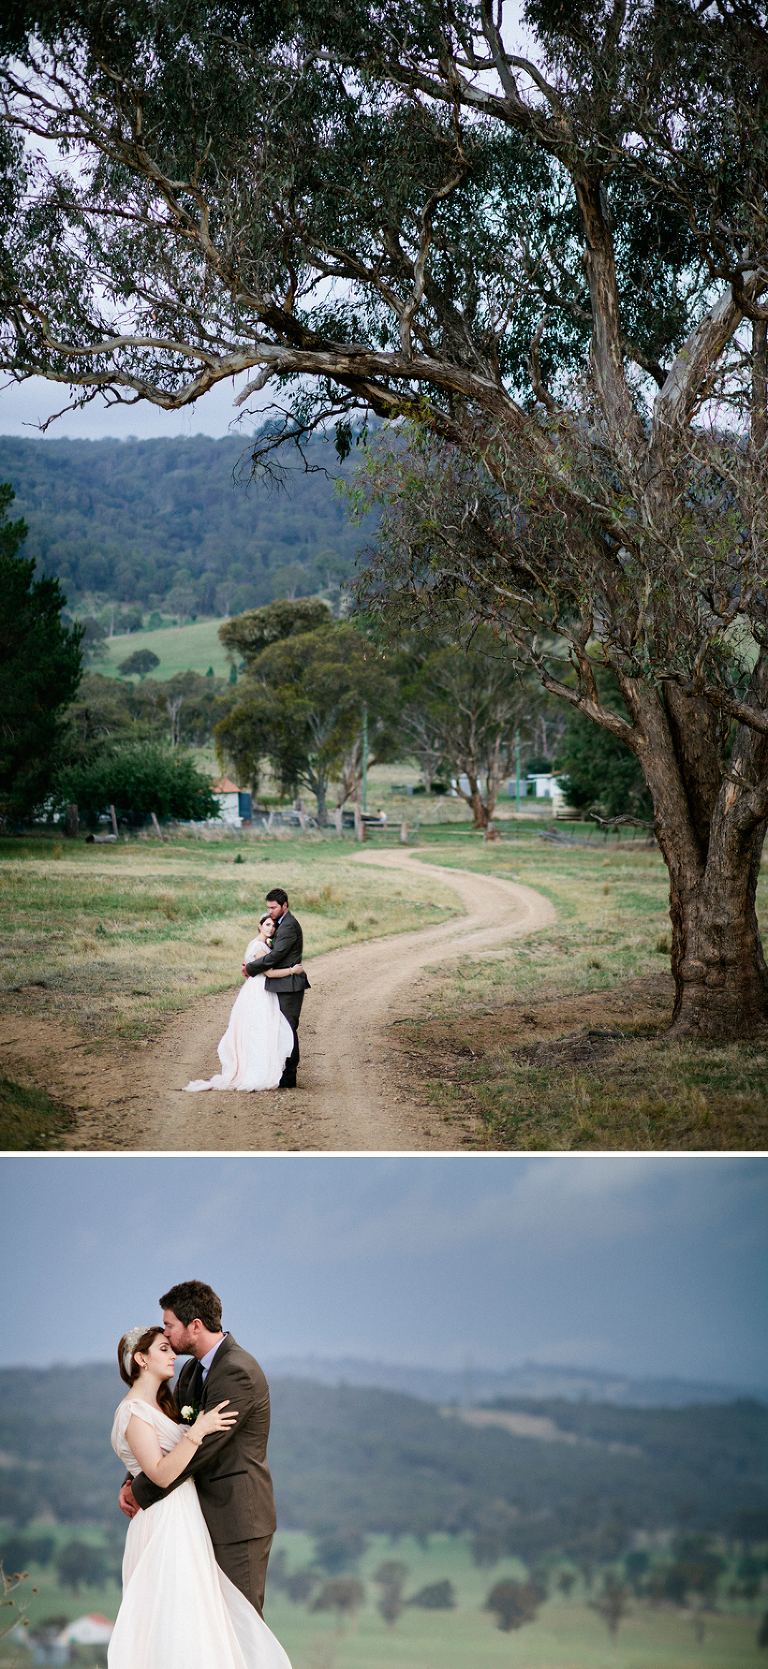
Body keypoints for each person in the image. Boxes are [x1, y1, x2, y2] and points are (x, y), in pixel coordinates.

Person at [111, 1281, 290, 1669]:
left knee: (240, 1627)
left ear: (194, 1326)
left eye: (169, 1325)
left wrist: (143, 1488)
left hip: (237, 1518)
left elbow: (203, 1449)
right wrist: (132, 1478)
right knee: (201, 1629)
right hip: (194, 1519)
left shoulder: (237, 1371)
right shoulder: (193, 1371)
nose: (167, 1335)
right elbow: (167, 1436)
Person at [185, 914, 303, 1093]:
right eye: (267, 925)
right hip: (260, 990)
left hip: (258, 987)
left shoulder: (262, 945)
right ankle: (257, 1070)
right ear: (260, 925)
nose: (271, 929)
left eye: (273, 926)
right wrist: (292, 970)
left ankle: (262, 1065)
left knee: (262, 1028)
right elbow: (269, 973)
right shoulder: (258, 946)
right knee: (262, 1028)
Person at [244, 889, 310, 1090]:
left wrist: (251, 967)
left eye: (274, 908)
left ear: (285, 906)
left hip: (290, 986)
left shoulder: (289, 926)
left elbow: (276, 955)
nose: (270, 911)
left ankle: (289, 1077)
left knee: (288, 1029)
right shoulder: (281, 924)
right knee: (280, 1029)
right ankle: (281, 1073)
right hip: (281, 984)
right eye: (268, 908)